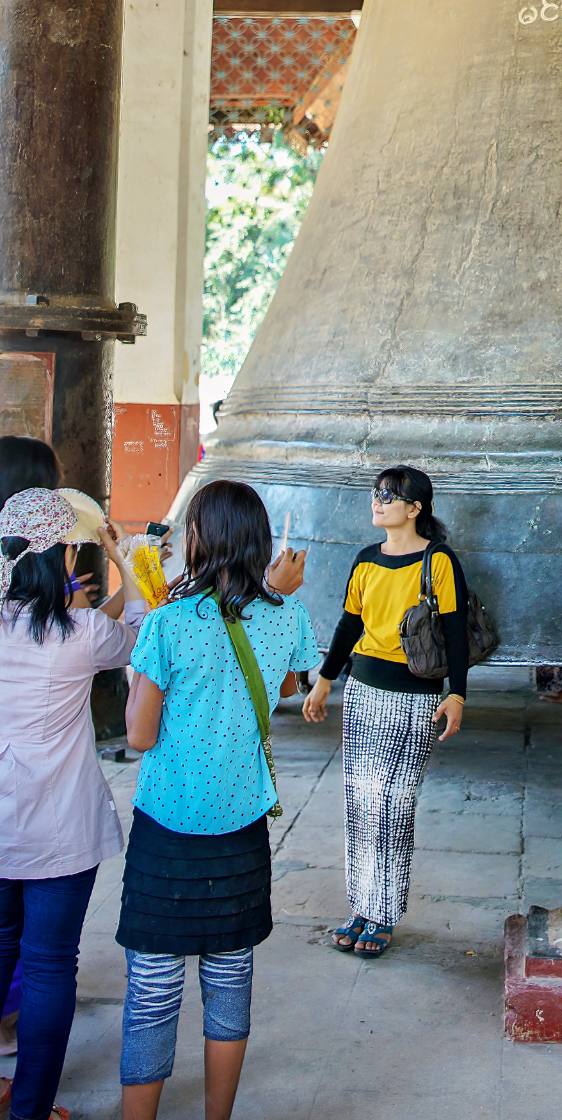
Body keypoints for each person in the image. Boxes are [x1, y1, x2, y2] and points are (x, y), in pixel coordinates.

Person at [117, 479, 319, 1120]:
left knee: (153, 990)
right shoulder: (289, 615)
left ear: (199, 540)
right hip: (241, 828)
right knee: (230, 982)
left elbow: (139, 734)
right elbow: (287, 685)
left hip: (167, 831)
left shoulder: (168, 624)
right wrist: (274, 598)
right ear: (261, 542)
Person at [0, 488, 146, 1120]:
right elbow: (140, 629)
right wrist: (120, 553)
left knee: (3, 950)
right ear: (62, 555)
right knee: (51, 966)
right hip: (60, 829)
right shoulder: (81, 633)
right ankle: (31, 1109)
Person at [303, 466, 468, 959]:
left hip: (414, 697)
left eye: (388, 496)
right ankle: (361, 905)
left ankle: (384, 913)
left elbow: (456, 632)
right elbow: (348, 625)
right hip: (362, 692)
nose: (376, 502)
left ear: (416, 508)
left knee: (393, 806)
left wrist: (456, 694)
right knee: (360, 803)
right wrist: (325, 680)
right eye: (375, 494)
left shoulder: (438, 561)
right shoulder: (365, 560)